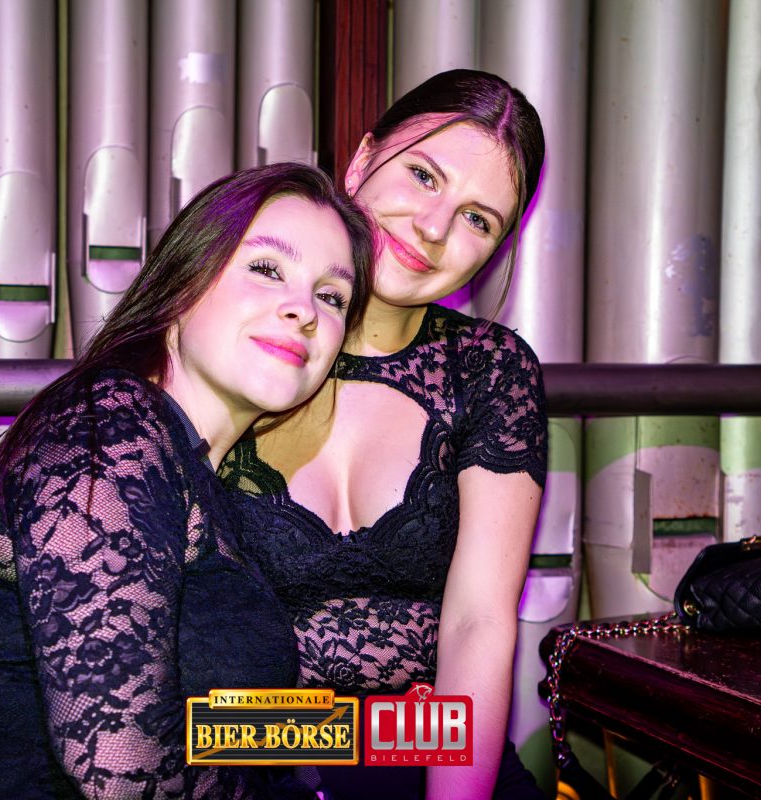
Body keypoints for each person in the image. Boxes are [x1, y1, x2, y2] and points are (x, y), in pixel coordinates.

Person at [0, 162, 374, 799]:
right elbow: (118, 771)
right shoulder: (110, 430)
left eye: (331, 296)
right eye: (266, 267)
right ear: (183, 281)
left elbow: (208, 723)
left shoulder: (194, 471)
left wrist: (388, 732)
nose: (303, 309)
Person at [220, 70, 547, 800]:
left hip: (447, 762)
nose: (433, 227)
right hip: (247, 766)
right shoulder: (242, 333)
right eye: (423, 175)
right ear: (362, 160)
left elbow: (479, 623)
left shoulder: (489, 370)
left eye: (478, 219)